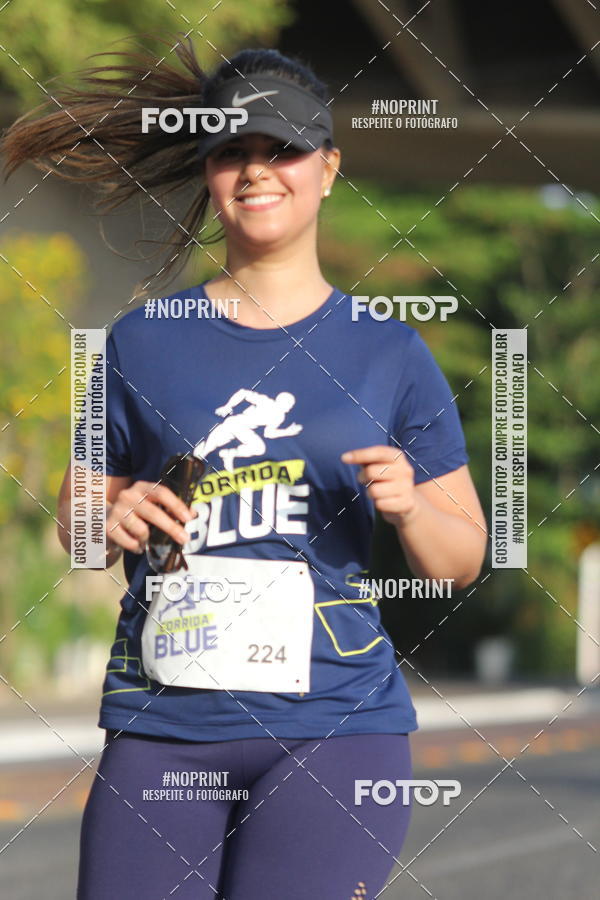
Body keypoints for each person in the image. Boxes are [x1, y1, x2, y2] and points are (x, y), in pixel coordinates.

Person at [2, 36, 487, 900]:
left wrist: (412, 509)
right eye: (233, 151)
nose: (257, 170)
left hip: (334, 728)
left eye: (284, 148)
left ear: (328, 169)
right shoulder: (141, 341)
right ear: (209, 172)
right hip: (163, 723)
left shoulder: (390, 352)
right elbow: (80, 524)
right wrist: (107, 516)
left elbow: (461, 559)